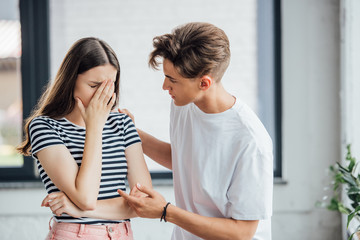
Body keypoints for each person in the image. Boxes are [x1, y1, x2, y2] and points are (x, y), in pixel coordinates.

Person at [118, 22, 273, 240]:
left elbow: (242, 232)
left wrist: (165, 211)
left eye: (172, 80)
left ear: (204, 83)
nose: (165, 86)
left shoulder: (250, 141)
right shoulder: (183, 104)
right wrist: (131, 133)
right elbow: (187, 161)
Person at [17, 37, 152, 240]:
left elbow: (145, 204)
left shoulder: (122, 123)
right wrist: (95, 127)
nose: (103, 95)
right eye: (94, 85)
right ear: (71, 81)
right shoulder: (44, 127)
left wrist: (78, 210)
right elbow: (86, 197)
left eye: (110, 86)